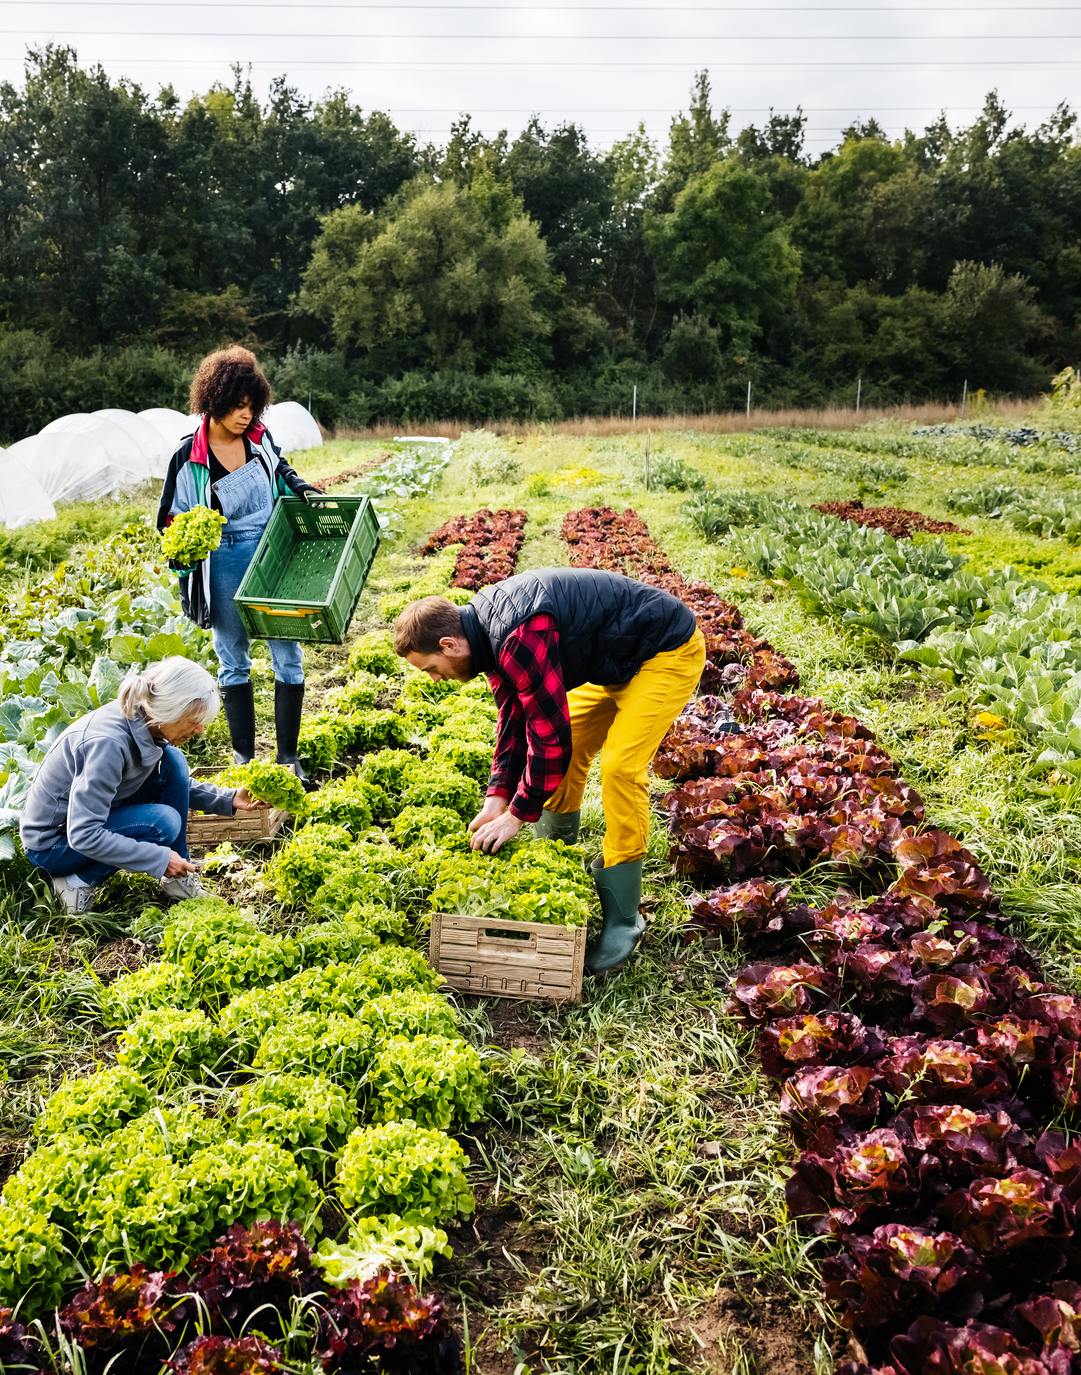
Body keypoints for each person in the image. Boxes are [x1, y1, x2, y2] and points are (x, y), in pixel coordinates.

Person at [393, 568, 706, 973]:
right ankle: (558, 855)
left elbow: (548, 740)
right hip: (615, 659)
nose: (436, 678)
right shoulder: (485, 635)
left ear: (449, 644)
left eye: (430, 667)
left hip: (664, 651)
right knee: (570, 745)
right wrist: (497, 800)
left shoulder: (516, 636)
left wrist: (519, 815)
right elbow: (514, 718)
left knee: (619, 768)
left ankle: (625, 919)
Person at [156, 346, 320, 778]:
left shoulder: (259, 437)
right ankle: (243, 758)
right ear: (213, 401)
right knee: (234, 658)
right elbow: (169, 522)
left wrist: (298, 484)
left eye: (252, 406)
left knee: (288, 652)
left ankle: (289, 758)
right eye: (237, 406)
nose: (246, 415)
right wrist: (185, 548)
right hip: (224, 558)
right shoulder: (186, 456)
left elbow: (280, 466)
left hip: (271, 549)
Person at [19, 657, 266, 914]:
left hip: (84, 821)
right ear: (171, 709)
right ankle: (75, 884)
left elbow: (173, 782)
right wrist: (158, 858)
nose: (201, 730)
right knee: (162, 823)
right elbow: (83, 834)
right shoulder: (108, 745)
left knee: (173, 761)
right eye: (195, 720)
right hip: (54, 846)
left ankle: (178, 877)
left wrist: (229, 798)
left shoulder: (145, 723)